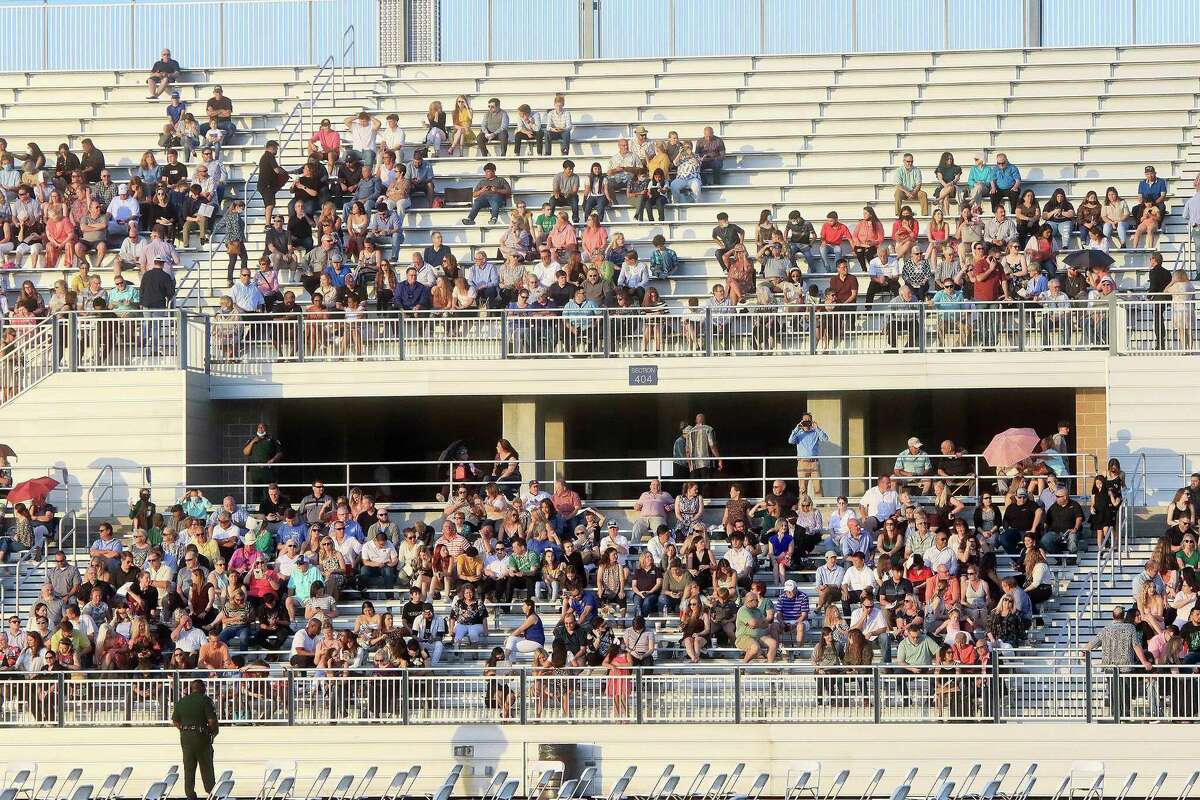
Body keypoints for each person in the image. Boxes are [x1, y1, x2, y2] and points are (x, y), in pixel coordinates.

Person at [172, 678, 219, 800]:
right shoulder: (205, 700)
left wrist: (183, 729)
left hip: (186, 737)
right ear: (202, 688)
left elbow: (175, 720)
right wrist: (213, 733)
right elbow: (212, 721)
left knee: (189, 767)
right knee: (206, 766)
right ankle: (211, 792)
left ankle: (190, 794)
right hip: (201, 736)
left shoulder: (181, 701)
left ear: (192, 689)